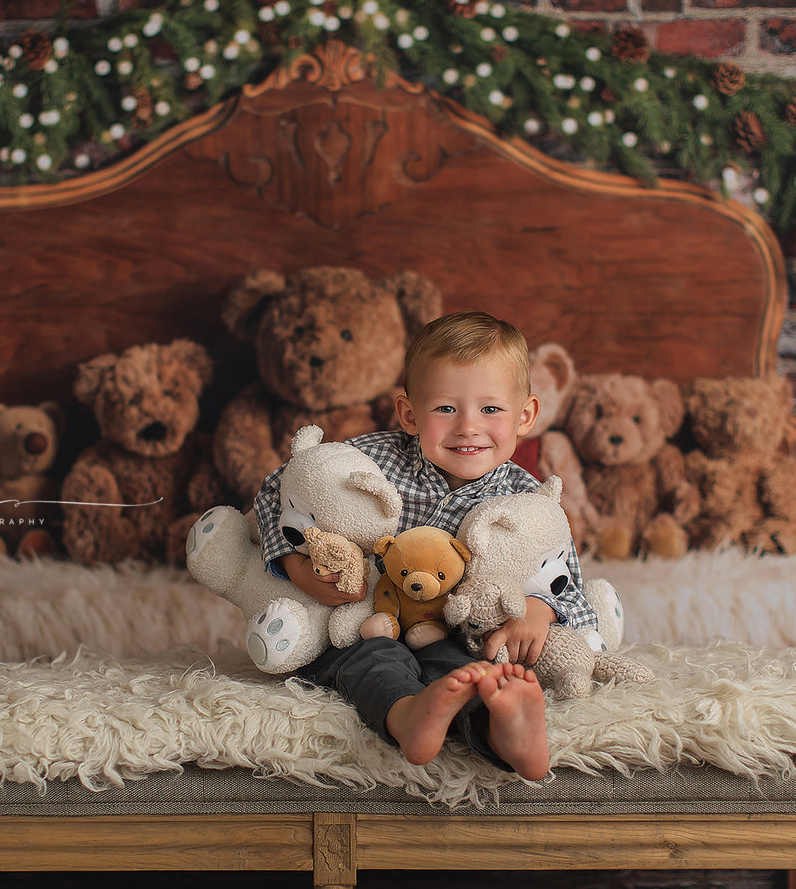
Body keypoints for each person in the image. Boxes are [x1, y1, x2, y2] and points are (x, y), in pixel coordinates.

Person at [252, 310, 597, 781]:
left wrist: (539, 611)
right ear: (409, 414)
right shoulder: (373, 458)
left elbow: (567, 588)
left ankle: (507, 733)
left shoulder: (529, 504)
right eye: (446, 409)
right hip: (367, 619)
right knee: (371, 661)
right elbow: (280, 487)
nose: (468, 427)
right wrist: (292, 562)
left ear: (526, 415)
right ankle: (409, 715)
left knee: (472, 675)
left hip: (457, 635)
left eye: (491, 410)